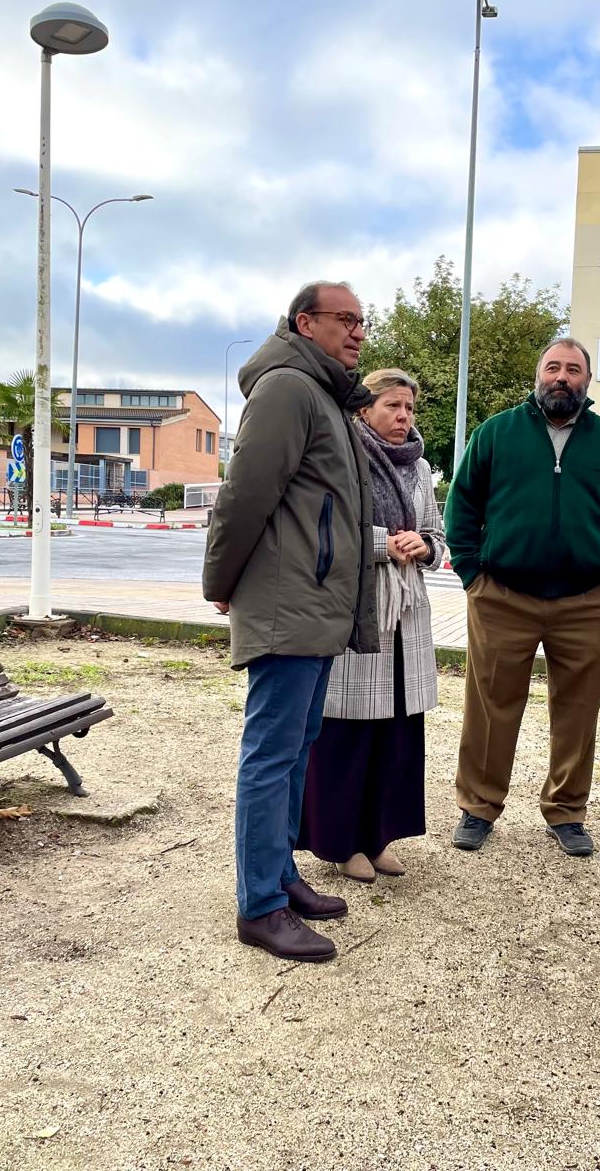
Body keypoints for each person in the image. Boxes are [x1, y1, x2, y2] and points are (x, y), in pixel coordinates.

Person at [202, 280, 379, 964]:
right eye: (345, 319)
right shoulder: (287, 388)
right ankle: (259, 906)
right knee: (271, 755)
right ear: (306, 323)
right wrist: (221, 582)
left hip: (313, 599)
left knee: (297, 747)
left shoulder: (323, 392)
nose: (357, 331)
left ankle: (280, 875)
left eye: (362, 321)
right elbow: (244, 494)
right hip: (287, 601)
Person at [445, 337, 600, 857]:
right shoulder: (497, 433)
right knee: (489, 707)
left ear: (587, 380)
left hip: (587, 603)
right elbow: (462, 505)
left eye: (573, 369)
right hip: (502, 598)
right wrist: (472, 574)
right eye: (553, 367)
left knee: (578, 713)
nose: (562, 377)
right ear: (538, 375)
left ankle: (567, 811)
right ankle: (478, 807)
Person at [298, 368, 447, 883]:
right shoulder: (343, 457)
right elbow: (328, 530)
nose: (404, 416)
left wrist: (424, 545)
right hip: (358, 608)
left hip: (407, 615)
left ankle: (379, 836)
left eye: (409, 408)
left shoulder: (420, 468)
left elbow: (436, 534)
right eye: (392, 406)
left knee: (395, 735)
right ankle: (342, 843)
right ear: (365, 409)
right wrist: (387, 544)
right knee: (348, 731)